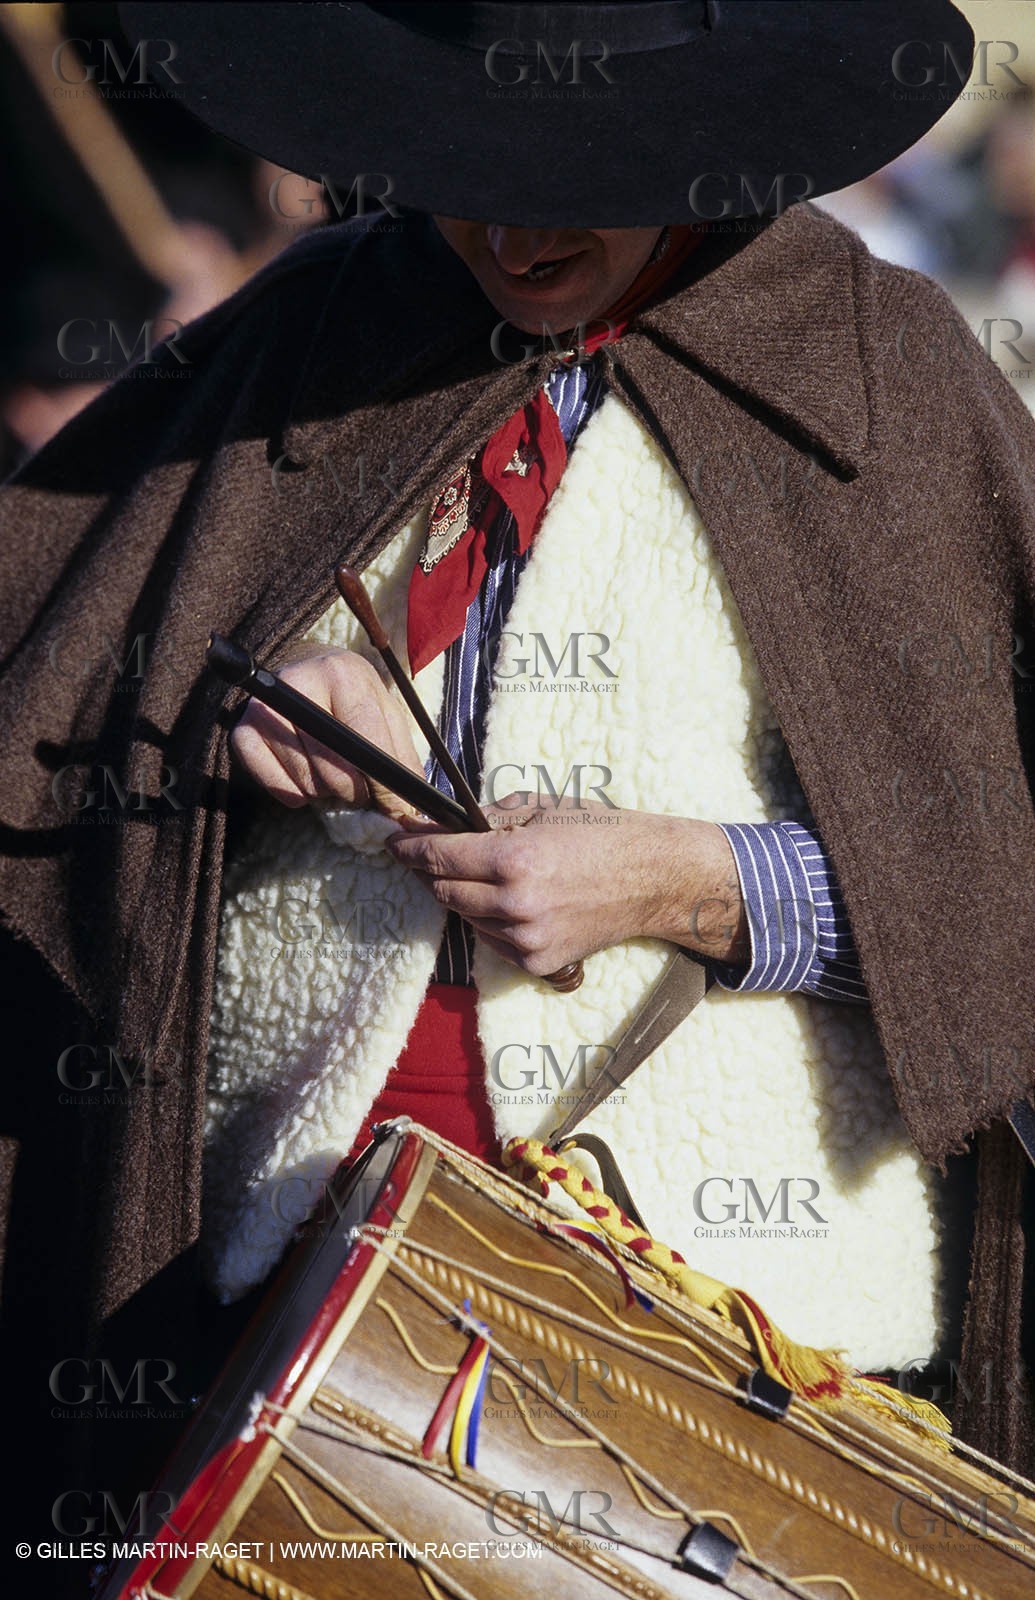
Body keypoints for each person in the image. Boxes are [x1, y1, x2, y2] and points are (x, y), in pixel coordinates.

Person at [2, 3, 1035, 1578]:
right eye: (463, 164)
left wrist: (703, 885)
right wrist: (228, 714)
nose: (513, 224)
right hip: (287, 1304)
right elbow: (53, 693)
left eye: (580, 171)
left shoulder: (883, 373)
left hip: (736, 1360)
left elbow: (998, 874)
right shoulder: (308, 330)